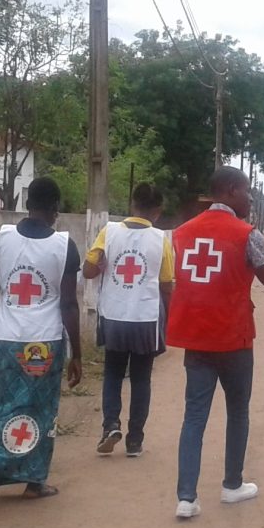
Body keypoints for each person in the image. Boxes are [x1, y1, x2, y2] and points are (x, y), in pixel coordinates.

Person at [167, 166, 264, 519]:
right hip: (234, 338)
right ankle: (232, 486)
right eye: (247, 191)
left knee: (194, 415)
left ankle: (186, 498)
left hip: (196, 338)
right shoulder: (246, 234)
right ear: (232, 191)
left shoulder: (181, 233)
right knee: (238, 410)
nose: (250, 198)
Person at [0, 177, 82, 508]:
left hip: (5, 338)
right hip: (44, 343)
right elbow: (68, 304)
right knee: (42, 410)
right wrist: (76, 353)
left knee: (3, 407)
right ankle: (34, 482)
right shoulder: (64, 246)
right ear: (55, 208)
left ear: (27, 202)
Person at [83, 183, 174, 458]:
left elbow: (88, 270)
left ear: (132, 204)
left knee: (112, 372)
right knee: (141, 378)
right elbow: (167, 284)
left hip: (114, 315)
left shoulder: (108, 232)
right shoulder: (161, 239)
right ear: (157, 212)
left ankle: (110, 425)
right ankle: (135, 440)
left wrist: (100, 266)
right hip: (145, 318)